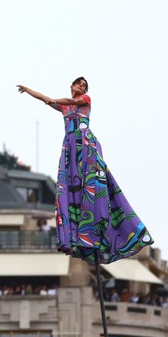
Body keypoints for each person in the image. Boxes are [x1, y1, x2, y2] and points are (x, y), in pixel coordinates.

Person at [17, 78, 152, 263]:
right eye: (79, 84)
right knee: (71, 185)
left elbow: (69, 101)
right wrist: (28, 90)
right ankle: (79, 227)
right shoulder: (64, 108)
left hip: (85, 143)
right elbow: (44, 98)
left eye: (84, 86)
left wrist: (54, 100)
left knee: (91, 181)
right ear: (72, 85)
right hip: (70, 146)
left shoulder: (85, 100)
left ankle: (101, 220)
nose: (82, 87)